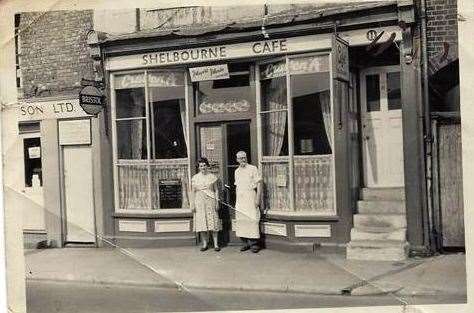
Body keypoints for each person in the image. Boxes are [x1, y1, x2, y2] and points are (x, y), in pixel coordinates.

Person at [234, 151, 263, 253]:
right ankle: (245, 243)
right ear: (237, 160)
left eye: (244, 158)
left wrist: (258, 198)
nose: (243, 160)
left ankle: (254, 244)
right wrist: (236, 201)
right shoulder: (236, 171)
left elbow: (259, 184)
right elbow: (237, 187)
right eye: (240, 158)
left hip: (251, 196)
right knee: (242, 219)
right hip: (240, 199)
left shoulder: (253, 168)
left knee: (252, 218)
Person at [191, 157, 221, 252]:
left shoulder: (212, 177)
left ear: (207, 166)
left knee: (212, 222)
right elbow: (192, 192)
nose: (203, 167)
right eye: (201, 166)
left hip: (210, 201)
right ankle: (205, 244)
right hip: (199, 201)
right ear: (198, 167)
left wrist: (216, 202)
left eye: (204, 165)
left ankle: (216, 244)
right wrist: (192, 204)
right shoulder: (195, 178)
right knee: (202, 222)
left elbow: (216, 190)